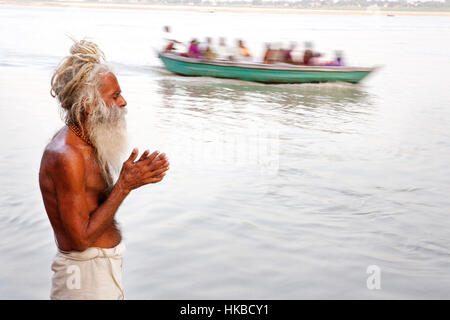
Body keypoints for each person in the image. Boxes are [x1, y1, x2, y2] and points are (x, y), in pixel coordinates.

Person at [39, 39, 170, 300]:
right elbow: (79, 239)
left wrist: (133, 179)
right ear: (89, 105)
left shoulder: (87, 142)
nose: (123, 102)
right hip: (83, 277)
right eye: (115, 95)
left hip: (98, 271)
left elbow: (91, 205)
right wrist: (124, 186)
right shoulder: (67, 156)